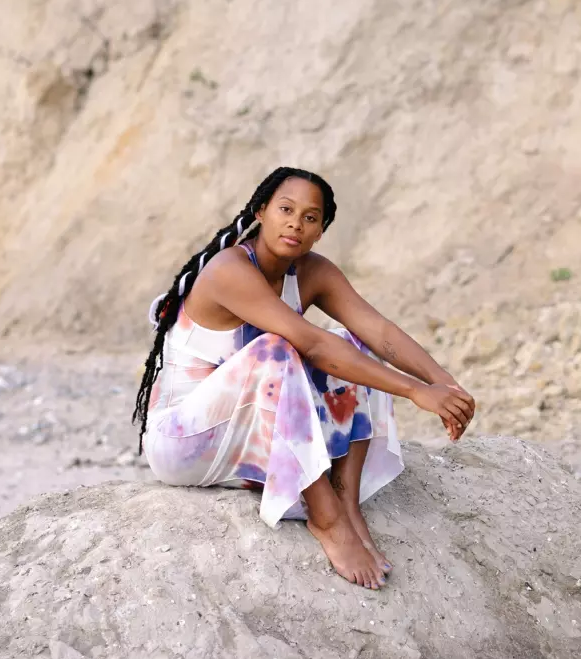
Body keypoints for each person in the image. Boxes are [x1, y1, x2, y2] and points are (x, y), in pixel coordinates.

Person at [131, 166, 475, 590]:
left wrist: (446, 386)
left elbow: (379, 331)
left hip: (248, 439)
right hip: (184, 443)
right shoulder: (228, 270)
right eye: (286, 209)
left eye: (310, 217)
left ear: (320, 231)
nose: (296, 223)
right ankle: (327, 519)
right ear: (261, 212)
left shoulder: (313, 273)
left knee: (353, 343)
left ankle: (346, 503)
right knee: (278, 350)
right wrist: (416, 391)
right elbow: (312, 345)